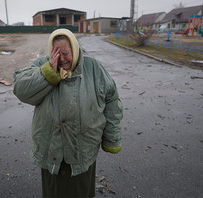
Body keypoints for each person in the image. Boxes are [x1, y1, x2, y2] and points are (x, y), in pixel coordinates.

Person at [13, 29, 123, 197]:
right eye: (56, 53)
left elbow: (112, 101)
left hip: (83, 151)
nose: (62, 59)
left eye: (65, 53)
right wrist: (49, 72)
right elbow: (21, 89)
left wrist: (112, 138)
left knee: (81, 191)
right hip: (52, 150)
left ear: (75, 49)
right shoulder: (42, 66)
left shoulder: (94, 68)